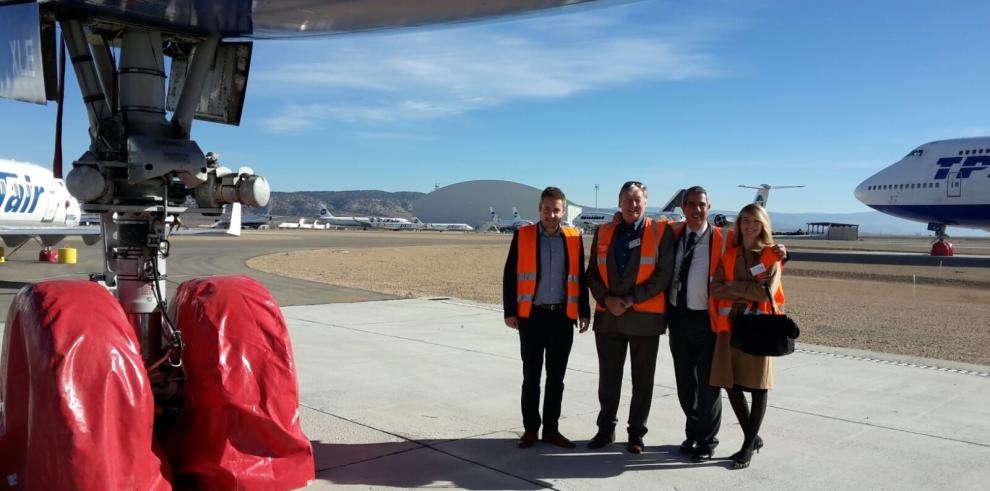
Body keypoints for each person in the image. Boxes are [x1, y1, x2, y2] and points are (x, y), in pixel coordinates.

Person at [667, 187, 788, 462]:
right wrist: (742, 288)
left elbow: (763, 286)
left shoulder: (722, 238)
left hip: (718, 322)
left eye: (703, 205)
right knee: (686, 384)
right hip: (682, 318)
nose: (697, 210)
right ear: (683, 208)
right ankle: (696, 431)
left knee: (713, 385)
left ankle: (707, 441)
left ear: (709, 208)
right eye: (692, 205)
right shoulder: (673, 234)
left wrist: (782, 253)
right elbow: (720, 287)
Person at [586, 181, 674, 454]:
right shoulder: (604, 231)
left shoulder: (661, 231)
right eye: (627, 200)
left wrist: (630, 299)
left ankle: (636, 433)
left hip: (644, 319)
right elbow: (592, 273)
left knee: (642, 381)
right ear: (619, 202)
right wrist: (606, 299)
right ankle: (605, 429)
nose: (633, 205)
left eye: (638, 200)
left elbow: (663, 274)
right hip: (609, 318)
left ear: (646, 202)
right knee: (608, 379)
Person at [503, 186, 591, 449]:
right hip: (532, 317)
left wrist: (584, 311)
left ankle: (551, 430)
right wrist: (510, 311)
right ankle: (531, 429)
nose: (551, 214)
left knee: (556, 378)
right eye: (546, 209)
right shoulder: (523, 235)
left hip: (562, 318)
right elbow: (510, 276)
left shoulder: (574, 237)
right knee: (531, 376)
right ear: (539, 209)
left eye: (556, 210)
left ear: (563, 211)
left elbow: (580, 277)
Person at [709, 203, 787, 470]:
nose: (750, 226)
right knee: (730, 384)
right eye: (745, 221)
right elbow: (716, 288)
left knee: (758, 387)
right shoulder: (729, 255)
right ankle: (752, 438)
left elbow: (765, 292)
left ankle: (747, 446)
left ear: (763, 225)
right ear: (739, 225)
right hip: (729, 327)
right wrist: (746, 288)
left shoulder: (771, 256)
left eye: (755, 222)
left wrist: (735, 288)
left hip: (758, 327)